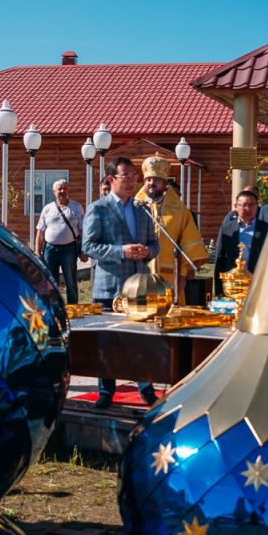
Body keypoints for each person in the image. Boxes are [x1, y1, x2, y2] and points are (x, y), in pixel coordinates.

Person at [81, 157, 158, 408]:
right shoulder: (99, 208)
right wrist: (121, 251)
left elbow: (155, 244)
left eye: (135, 177)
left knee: (141, 341)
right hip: (109, 287)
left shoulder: (142, 209)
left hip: (139, 286)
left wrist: (147, 252)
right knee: (108, 342)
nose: (133, 182)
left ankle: (146, 389)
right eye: (127, 177)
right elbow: (89, 246)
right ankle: (106, 391)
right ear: (112, 179)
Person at [134, 156, 207, 303]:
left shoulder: (180, 211)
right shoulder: (135, 207)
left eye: (156, 180)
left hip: (171, 276)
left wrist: (182, 275)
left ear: (165, 183)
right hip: (139, 275)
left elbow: (188, 244)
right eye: (148, 179)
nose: (151, 183)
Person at [34, 179, 83, 303]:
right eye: (59, 189)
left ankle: (73, 308)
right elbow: (40, 231)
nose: (62, 191)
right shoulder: (47, 209)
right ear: (54, 192)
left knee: (70, 281)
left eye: (64, 188)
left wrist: (83, 251)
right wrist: (37, 252)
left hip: (69, 249)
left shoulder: (76, 207)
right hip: (50, 250)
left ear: (68, 191)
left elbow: (82, 231)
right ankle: (55, 308)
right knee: (51, 281)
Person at [215, 188, 265, 276]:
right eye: (244, 205)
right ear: (236, 206)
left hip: (258, 280)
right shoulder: (227, 228)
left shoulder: (266, 229)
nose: (248, 209)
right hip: (233, 282)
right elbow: (220, 257)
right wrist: (219, 287)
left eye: (252, 205)